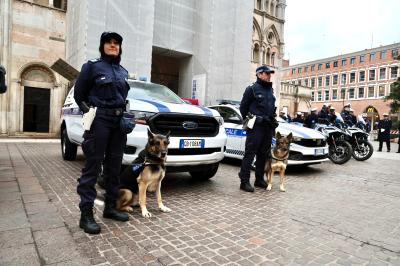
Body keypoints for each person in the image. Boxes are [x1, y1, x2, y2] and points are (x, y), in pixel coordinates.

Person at [74, 31, 130, 234]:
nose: (113, 45)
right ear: (102, 45)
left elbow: (122, 97)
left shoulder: (123, 71)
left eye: (117, 43)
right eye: (109, 42)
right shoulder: (92, 66)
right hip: (100, 121)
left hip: (118, 123)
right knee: (93, 166)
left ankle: (110, 207)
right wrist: (90, 114)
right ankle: (86, 214)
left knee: (115, 166)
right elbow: (80, 94)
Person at [238, 65, 277, 192]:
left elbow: (272, 108)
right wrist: (251, 120)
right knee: (250, 153)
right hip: (256, 127)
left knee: (263, 154)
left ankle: (259, 179)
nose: (269, 75)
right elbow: (243, 108)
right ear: (259, 74)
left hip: (267, 127)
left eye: (270, 73)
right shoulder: (252, 89)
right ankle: (244, 181)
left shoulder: (270, 90)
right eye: (267, 73)